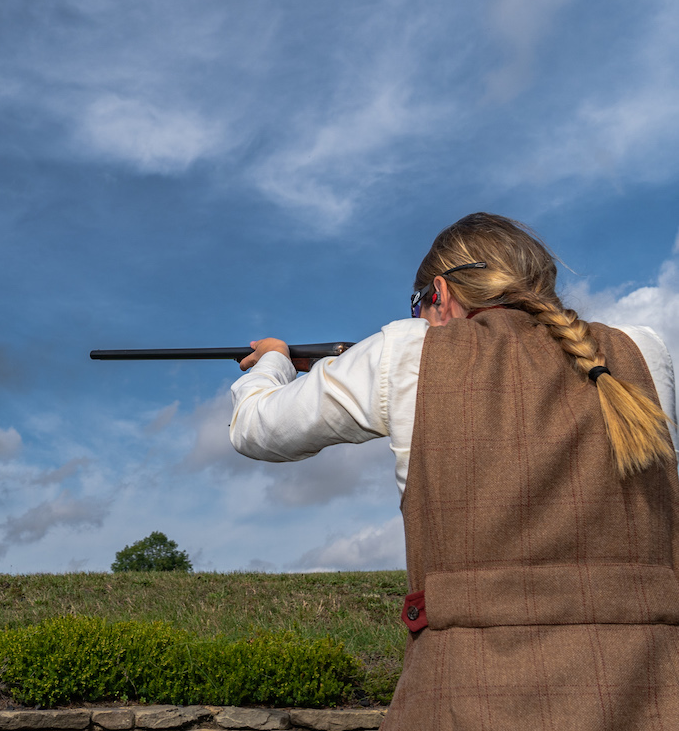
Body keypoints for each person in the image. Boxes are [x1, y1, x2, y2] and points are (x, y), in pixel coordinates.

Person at [229, 213, 679, 731]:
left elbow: (255, 427)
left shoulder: (404, 352)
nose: (419, 317)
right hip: (653, 692)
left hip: (466, 695)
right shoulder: (640, 349)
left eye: (419, 304)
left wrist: (274, 362)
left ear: (438, 293)